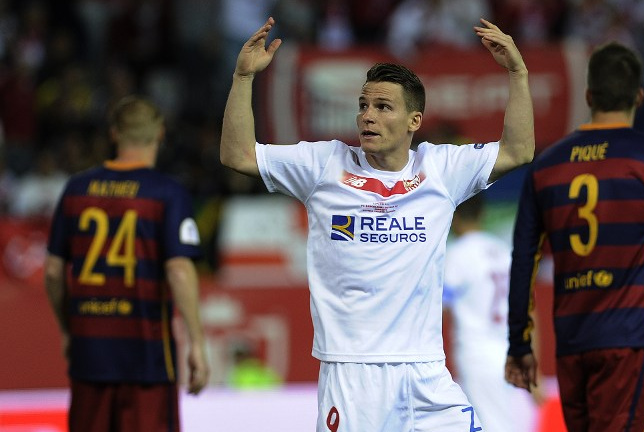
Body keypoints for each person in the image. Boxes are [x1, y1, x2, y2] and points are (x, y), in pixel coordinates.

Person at [220, 16, 534, 432]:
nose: (367, 116)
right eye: (363, 105)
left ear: (414, 121)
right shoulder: (323, 164)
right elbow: (238, 155)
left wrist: (517, 73)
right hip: (353, 375)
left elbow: (518, 150)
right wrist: (243, 77)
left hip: (426, 372)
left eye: (383, 107)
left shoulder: (441, 169)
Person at [505, 41, 644, 432]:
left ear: (589, 96)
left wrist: (519, 343)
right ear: (639, 96)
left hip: (571, 339)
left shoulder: (546, 167)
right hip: (628, 335)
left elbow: (523, 259)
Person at [44, 95, 210, 432]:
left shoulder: (76, 190)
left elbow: (53, 270)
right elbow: (179, 270)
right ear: (160, 134)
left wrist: (67, 328)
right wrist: (196, 342)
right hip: (146, 357)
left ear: (114, 133)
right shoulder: (167, 193)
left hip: (90, 353)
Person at [443, 192, 543, 432]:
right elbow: (529, 312)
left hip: (478, 358)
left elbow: (435, 311)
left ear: (453, 216)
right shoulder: (504, 251)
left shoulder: (456, 255)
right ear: (482, 213)